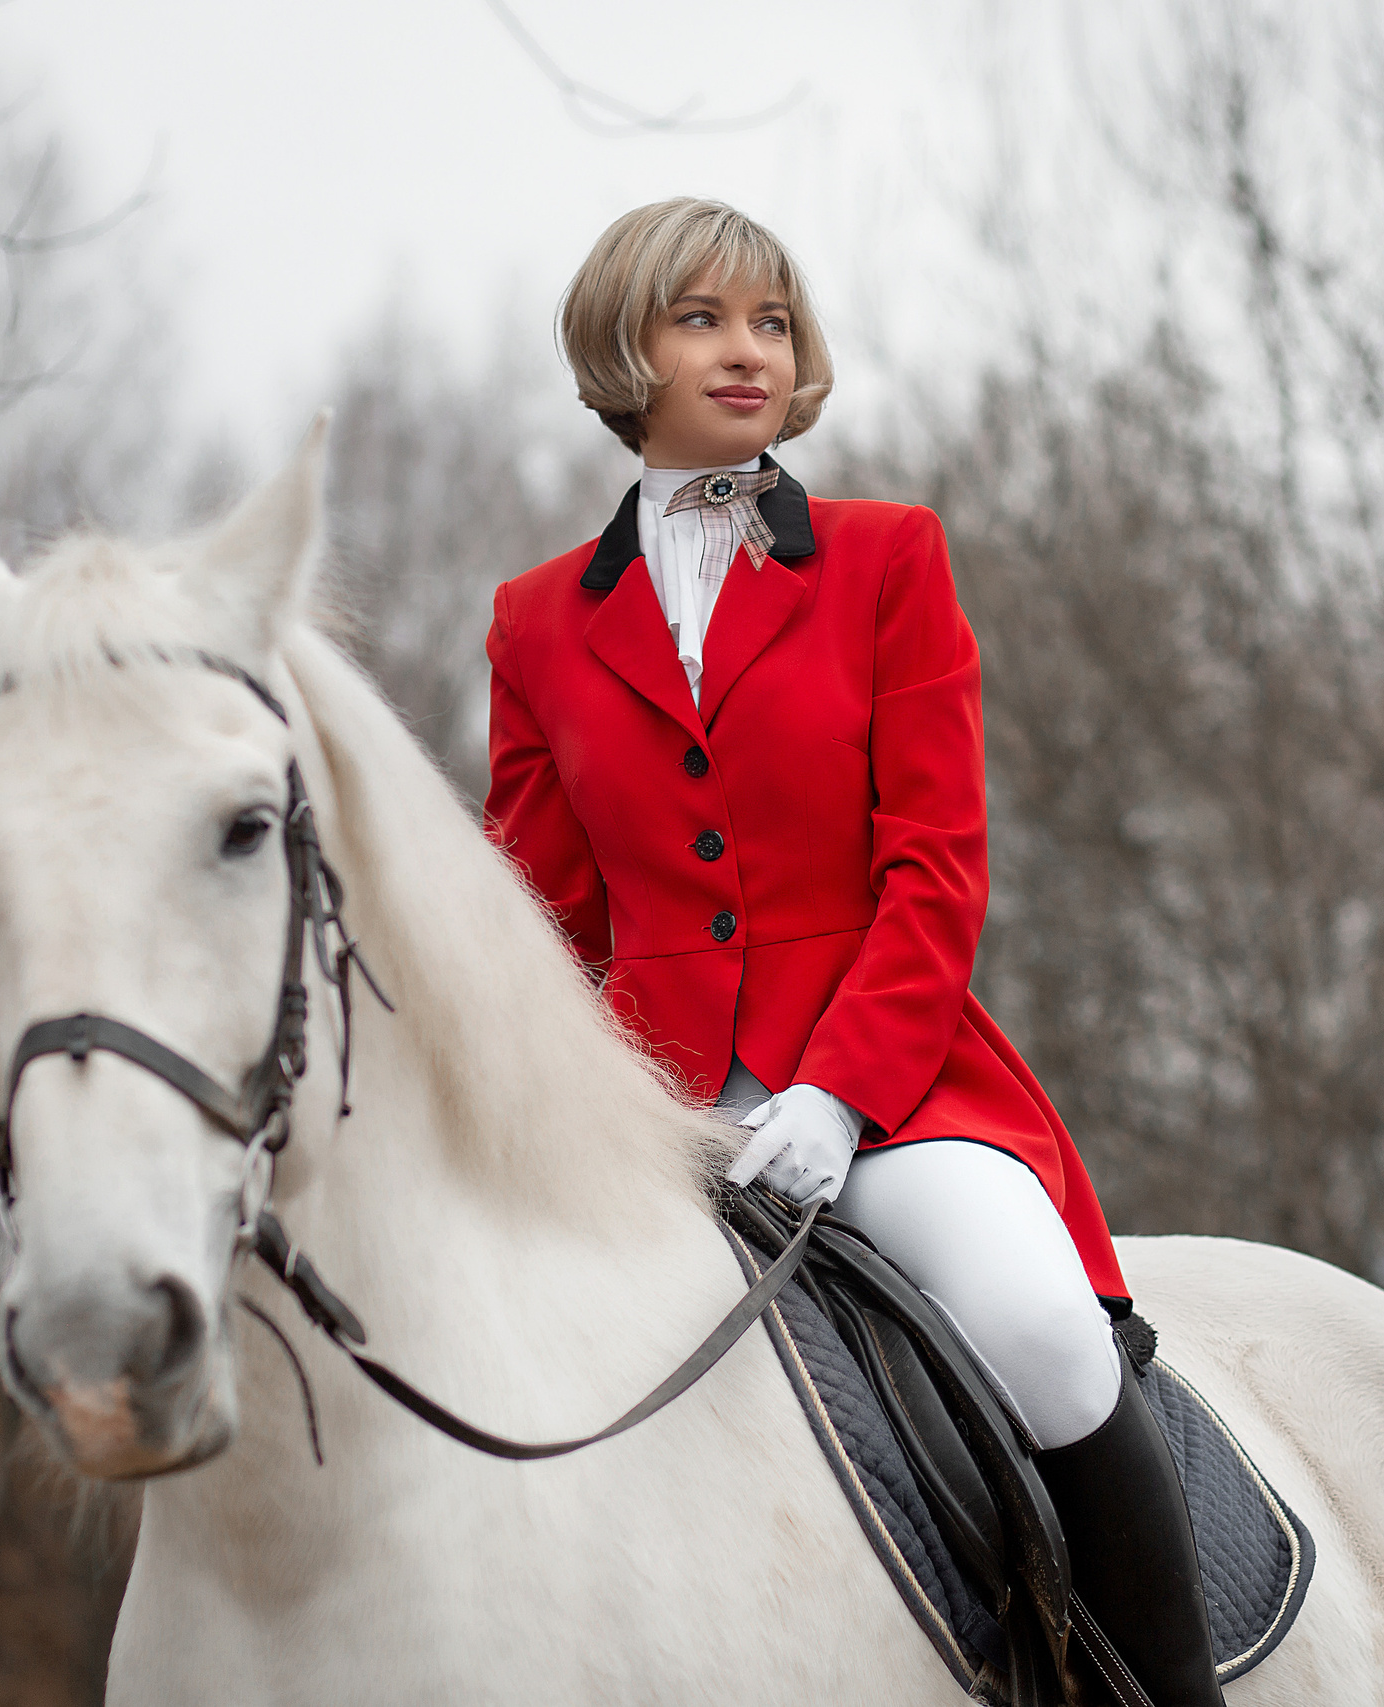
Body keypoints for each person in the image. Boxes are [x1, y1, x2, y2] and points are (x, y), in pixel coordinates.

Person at [484, 198, 1223, 1706]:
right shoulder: (534, 622)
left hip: (891, 1089)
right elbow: (544, 926)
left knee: (1044, 1338)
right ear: (626, 348)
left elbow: (937, 866)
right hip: (654, 1119)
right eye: (701, 319)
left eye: (770, 321)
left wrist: (832, 1096)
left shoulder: (890, 559)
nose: (746, 352)